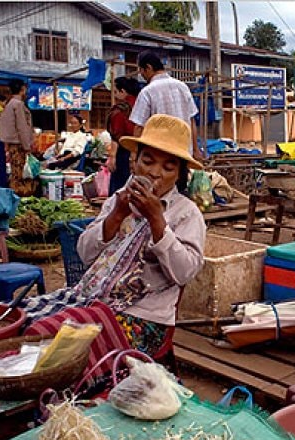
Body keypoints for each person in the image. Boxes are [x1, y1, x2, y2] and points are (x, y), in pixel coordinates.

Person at [75, 114, 205, 352]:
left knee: (82, 351)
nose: (155, 173)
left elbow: (185, 272)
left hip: (145, 318)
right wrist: (116, 215)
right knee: (42, 331)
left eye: (168, 167)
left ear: (179, 174)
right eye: (148, 161)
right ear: (134, 163)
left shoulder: (186, 213)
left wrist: (157, 221)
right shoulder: (119, 199)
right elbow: (84, 253)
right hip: (94, 301)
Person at [130, 51, 200, 159]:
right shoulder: (182, 87)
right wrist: (195, 150)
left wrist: (134, 155)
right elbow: (192, 121)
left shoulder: (147, 92)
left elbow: (139, 127)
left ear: (148, 68)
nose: (141, 74)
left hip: (159, 156)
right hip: (184, 152)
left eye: (141, 70)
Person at [0, 78, 36, 197]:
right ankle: (18, 197)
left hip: (12, 144)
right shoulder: (18, 105)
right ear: (22, 89)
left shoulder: (10, 104)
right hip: (19, 144)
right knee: (19, 175)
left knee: (15, 173)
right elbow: (22, 127)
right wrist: (27, 146)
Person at [106, 76, 141, 193]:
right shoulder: (143, 105)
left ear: (123, 91)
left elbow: (117, 136)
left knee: (120, 190)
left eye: (116, 92)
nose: (115, 96)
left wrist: (112, 157)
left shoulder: (121, 110)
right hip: (143, 152)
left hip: (124, 154)